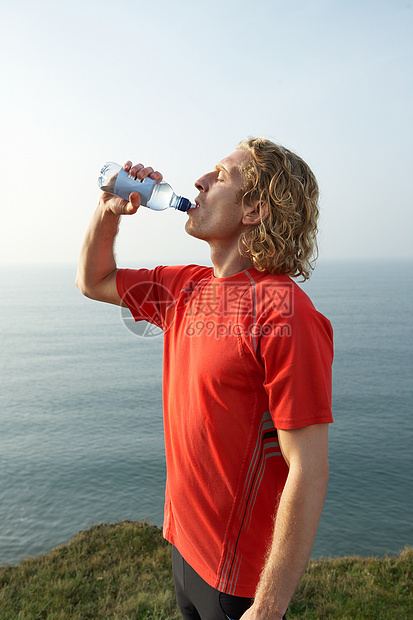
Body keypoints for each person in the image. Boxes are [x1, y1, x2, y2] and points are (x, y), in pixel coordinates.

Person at [76, 137, 333, 620]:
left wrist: (269, 606)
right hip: (184, 546)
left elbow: (310, 469)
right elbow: (92, 280)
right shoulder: (185, 285)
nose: (199, 181)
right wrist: (108, 211)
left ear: (255, 208)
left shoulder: (284, 312)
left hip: (238, 581)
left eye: (220, 175)